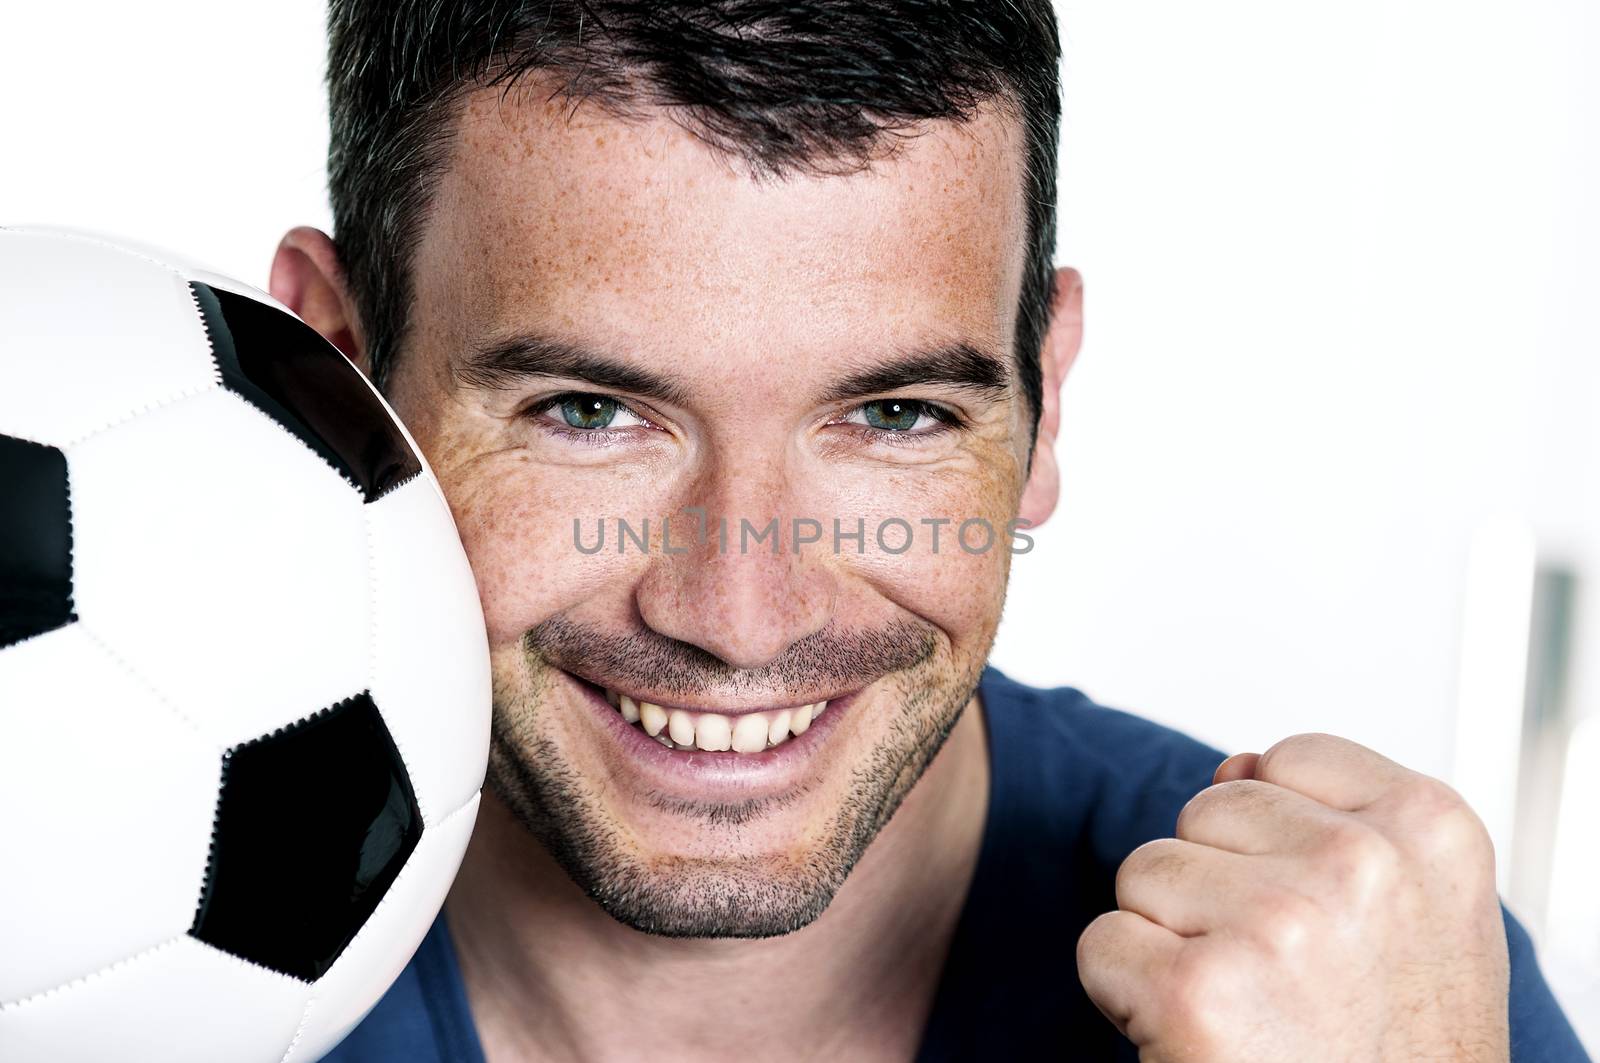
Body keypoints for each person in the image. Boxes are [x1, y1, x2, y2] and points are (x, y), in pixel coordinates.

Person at [270, 2, 1591, 1059]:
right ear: (331, 375)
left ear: (1045, 399)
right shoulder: (87, 957)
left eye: (894, 417)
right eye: (590, 411)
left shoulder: (1376, 997)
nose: (740, 619)